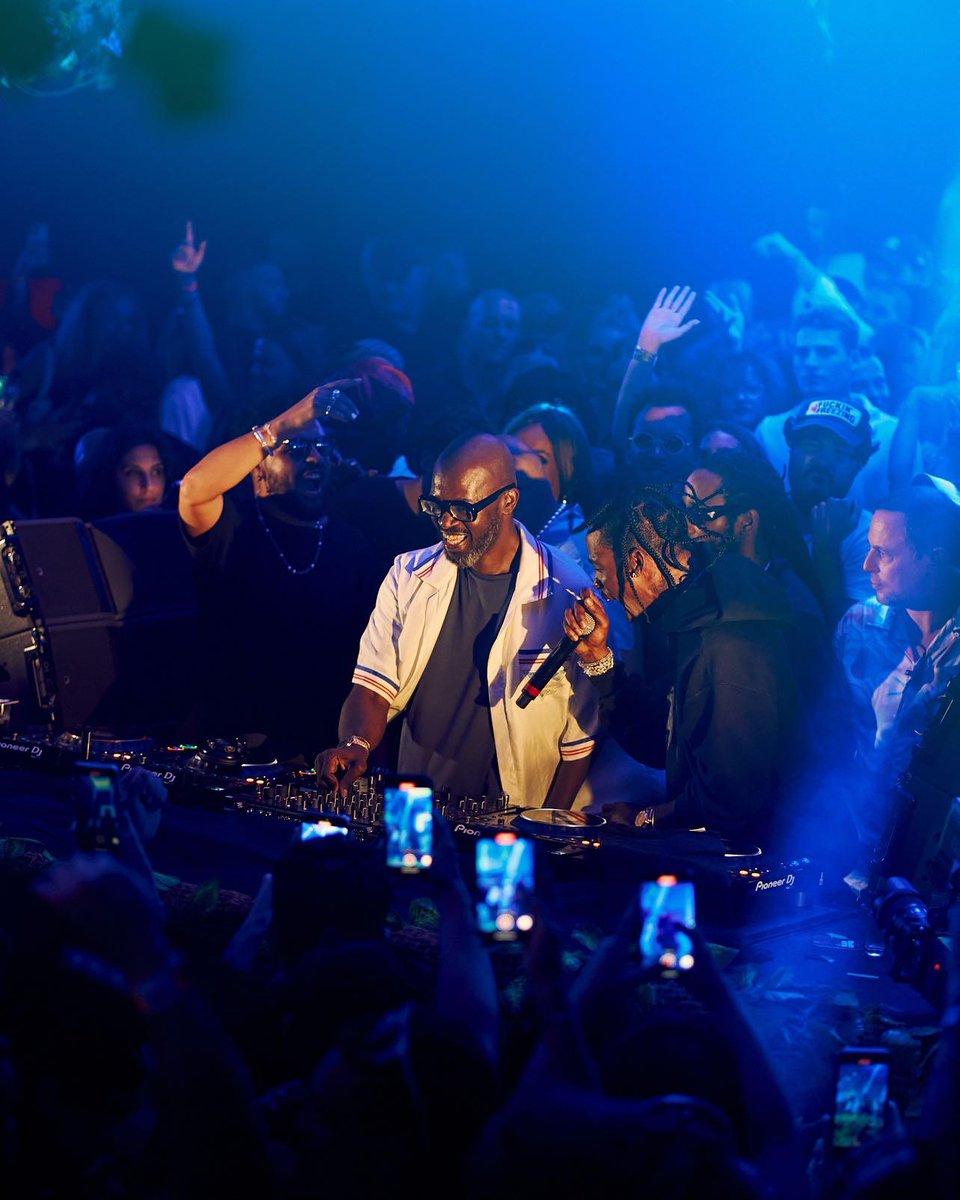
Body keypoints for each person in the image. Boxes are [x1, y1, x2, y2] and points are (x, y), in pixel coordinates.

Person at [316, 434, 598, 807]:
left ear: (507, 501)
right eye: (436, 505)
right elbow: (371, 687)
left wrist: (547, 825)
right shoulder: (408, 574)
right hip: (418, 804)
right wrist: (355, 744)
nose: (446, 521)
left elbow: (579, 735)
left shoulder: (566, 587)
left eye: (462, 509)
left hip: (513, 816)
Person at [561, 486, 805, 844]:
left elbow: (732, 801)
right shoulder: (693, 617)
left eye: (600, 569)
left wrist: (643, 819)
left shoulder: (723, 644)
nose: (599, 587)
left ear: (635, 563)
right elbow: (663, 744)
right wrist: (600, 661)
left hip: (762, 869)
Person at [177, 384, 376, 761]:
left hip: (318, 749)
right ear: (257, 468)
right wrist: (284, 424)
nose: (315, 459)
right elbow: (194, 489)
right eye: (298, 450)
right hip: (233, 744)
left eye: (322, 448)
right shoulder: (233, 525)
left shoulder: (351, 543)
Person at [835, 486, 960, 854]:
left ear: (934, 558)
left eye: (884, 553)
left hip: (936, 857)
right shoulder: (857, 625)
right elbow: (831, 733)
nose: (867, 565)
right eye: (870, 548)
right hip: (851, 845)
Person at [753, 305, 899, 512]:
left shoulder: (890, 432)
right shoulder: (769, 431)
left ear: (854, 358)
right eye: (802, 353)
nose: (811, 362)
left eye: (825, 352)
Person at [785, 394, 877, 623]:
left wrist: (826, 547)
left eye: (841, 452)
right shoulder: (757, 517)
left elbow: (847, 637)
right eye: (811, 445)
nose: (823, 462)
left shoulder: (874, 538)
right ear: (790, 448)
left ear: (860, 464)